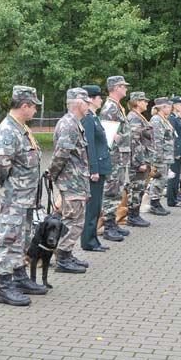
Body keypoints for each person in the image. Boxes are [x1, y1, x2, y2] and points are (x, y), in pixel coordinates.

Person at [0, 86, 47, 307]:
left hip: (26, 197)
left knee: (22, 237)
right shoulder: (8, 130)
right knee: (9, 239)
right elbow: (0, 165)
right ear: (24, 106)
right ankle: (5, 286)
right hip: (14, 197)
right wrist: (7, 188)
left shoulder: (21, 127)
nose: (35, 112)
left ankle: (20, 276)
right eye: (33, 107)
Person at [50, 88, 92, 273]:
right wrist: (52, 174)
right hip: (71, 181)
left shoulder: (75, 123)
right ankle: (62, 257)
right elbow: (62, 154)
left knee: (76, 220)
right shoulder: (68, 124)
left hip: (77, 180)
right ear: (78, 103)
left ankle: (66, 253)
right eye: (87, 103)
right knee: (71, 220)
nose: (89, 106)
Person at [99, 76, 132, 242]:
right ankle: (108, 225)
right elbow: (107, 134)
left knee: (117, 190)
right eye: (123, 86)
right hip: (114, 157)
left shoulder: (117, 107)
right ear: (115, 88)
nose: (126, 89)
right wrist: (117, 138)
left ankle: (113, 222)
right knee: (111, 191)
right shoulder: (110, 108)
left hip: (120, 156)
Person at [80, 85, 111, 252]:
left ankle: (93, 239)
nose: (101, 100)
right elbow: (90, 145)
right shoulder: (88, 118)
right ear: (91, 99)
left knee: (97, 206)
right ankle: (88, 241)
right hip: (96, 167)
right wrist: (94, 169)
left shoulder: (94, 117)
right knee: (92, 208)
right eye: (99, 97)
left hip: (101, 164)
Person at [126, 91, 152, 227]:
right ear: (136, 102)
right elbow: (134, 141)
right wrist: (139, 162)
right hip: (137, 160)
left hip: (143, 157)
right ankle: (132, 216)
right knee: (136, 188)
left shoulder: (139, 117)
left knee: (140, 188)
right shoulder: (134, 118)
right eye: (143, 101)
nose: (146, 103)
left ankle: (135, 214)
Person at [147, 97, 174, 216]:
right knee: (158, 180)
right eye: (168, 107)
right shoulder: (156, 120)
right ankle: (154, 203)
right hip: (160, 156)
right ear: (162, 107)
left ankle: (157, 202)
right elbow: (156, 140)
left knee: (162, 180)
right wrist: (157, 158)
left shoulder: (164, 119)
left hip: (166, 155)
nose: (170, 109)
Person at [167, 96, 181, 207]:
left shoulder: (178, 118)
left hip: (180, 150)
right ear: (175, 106)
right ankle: (171, 200)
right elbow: (172, 137)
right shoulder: (172, 119)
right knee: (173, 176)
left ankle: (175, 197)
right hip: (175, 151)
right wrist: (175, 152)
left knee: (176, 176)